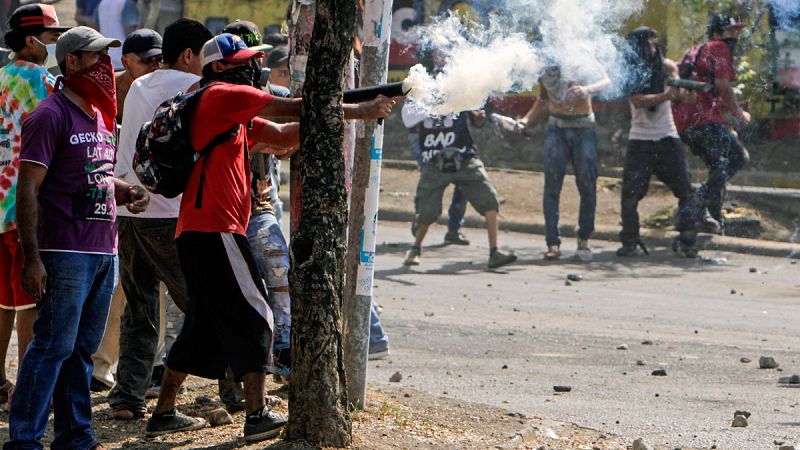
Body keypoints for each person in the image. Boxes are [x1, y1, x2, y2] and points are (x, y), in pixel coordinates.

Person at [144, 33, 394, 442]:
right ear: (219, 67)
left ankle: (164, 413)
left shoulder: (229, 109)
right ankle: (257, 414)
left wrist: (348, 112)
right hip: (215, 228)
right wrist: (362, 109)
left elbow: (281, 137)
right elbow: (294, 107)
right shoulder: (222, 94)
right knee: (258, 314)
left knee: (200, 330)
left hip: (202, 230)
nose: (254, 67)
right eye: (245, 60)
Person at [7, 26, 150, 450]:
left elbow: (94, 173)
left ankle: (75, 436)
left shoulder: (99, 115)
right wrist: (32, 259)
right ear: (72, 62)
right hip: (64, 250)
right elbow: (28, 188)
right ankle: (25, 441)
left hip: (103, 247)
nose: (105, 67)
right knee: (52, 346)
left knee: (81, 351)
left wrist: (124, 190)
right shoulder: (49, 115)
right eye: (96, 58)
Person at [107, 18, 212, 421]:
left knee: (140, 308)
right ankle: (234, 391)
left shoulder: (138, 85)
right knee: (205, 304)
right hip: (167, 213)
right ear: (188, 55)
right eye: (203, 55)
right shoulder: (190, 88)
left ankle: (128, 398)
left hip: (128, 209)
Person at [0, 2, 67, 413]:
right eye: (52, 36)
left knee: (4, 301)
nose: (55, 44)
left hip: (0, 204)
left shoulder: (0, 77)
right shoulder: (44, 82)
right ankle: (26, 390)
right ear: (32, 39)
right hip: (26, 205)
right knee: (31, 303)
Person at [401, 101, 517, 269]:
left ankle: (494, 253)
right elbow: (409, 120)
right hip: (435, 160)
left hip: (464, 157)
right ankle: (415, 249)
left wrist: (476, 114)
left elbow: (478, 121)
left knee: (489, 199)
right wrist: (440, 103)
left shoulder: (462, 92)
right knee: (427, 211)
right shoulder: (421, 96)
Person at [618, 27, 699, 258]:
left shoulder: (668, 66)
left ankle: (688, 241)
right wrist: (667, 95)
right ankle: (630, 242)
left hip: (667, 136)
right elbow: (637, 100)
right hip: (640, 139)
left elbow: (685, 97)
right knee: (630, 196)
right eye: (647, 44)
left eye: (653, 44)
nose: (652, 48)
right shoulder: (631, 72)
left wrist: (687, 86)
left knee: (685, 191)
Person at [519, 63, 610, 262]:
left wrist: (586, 89)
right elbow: (543, 98)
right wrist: (526, 120)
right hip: (556, 127)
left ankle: (584, 240)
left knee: (587, 184)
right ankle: (553, 244)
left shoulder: (580, 56)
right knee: (552, 186)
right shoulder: (545, 68)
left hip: (584, 127)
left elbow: (606, 80)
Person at [673, 13, 750, 235]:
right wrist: (738, 114)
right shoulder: (718, 47)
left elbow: (708, 91)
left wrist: (726, 119)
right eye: (730, 31)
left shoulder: (696, 50)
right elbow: (723, 86)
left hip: (687, 120)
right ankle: (694, 206)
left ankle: (712, 222)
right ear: (716, 34)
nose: (735, 35)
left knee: (718, 167)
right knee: (737, 157)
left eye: (737, 31)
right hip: (702, 119)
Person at [115, 28, 162, 121]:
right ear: (125, 62)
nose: (155, 66)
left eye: (160, 59)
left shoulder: (167, 90)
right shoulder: (106, 88)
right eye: (146, 60)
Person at [96, 0, 139, 70]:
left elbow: (95, 28)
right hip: (123, 59)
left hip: (106, 57)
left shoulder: (102, 3)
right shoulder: (127, 3)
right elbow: (130, 34)